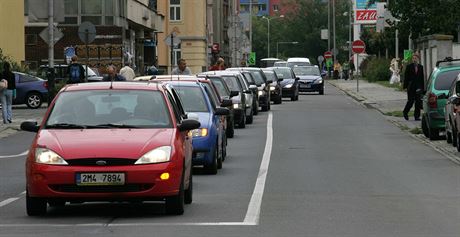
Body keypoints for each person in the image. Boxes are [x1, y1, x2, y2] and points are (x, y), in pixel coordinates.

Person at [403, 53, 424, 121]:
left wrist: (422, 88)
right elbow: (406, 77)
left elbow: (422, 78)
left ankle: (417, 116)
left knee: (418, 102)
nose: (414, 60)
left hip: (418, 87)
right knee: (411, 101)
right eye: (413, 58)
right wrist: (405, 87)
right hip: (411, 87)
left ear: (418, 59)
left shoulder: (421, 67)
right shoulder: (409, 66)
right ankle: (405, 112)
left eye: (416, 58)